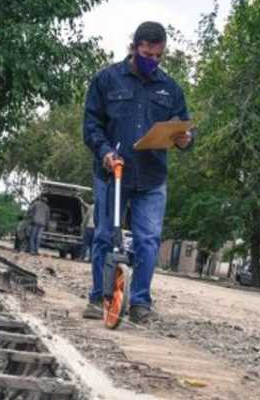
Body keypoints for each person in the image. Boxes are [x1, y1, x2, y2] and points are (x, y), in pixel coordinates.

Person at [81, 21, 193, 323]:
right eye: (147, 55)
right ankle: (99, 297)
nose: (153, 61)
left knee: (149, 239)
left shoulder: (170, 89)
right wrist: (105, 151)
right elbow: (91, 125)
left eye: (158, 56)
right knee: (105, 236)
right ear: (134, 48)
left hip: (152, 177)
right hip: (113, 173)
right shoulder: (107, 80)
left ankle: (140, 303)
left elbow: (183, 126)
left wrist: (185, 139)